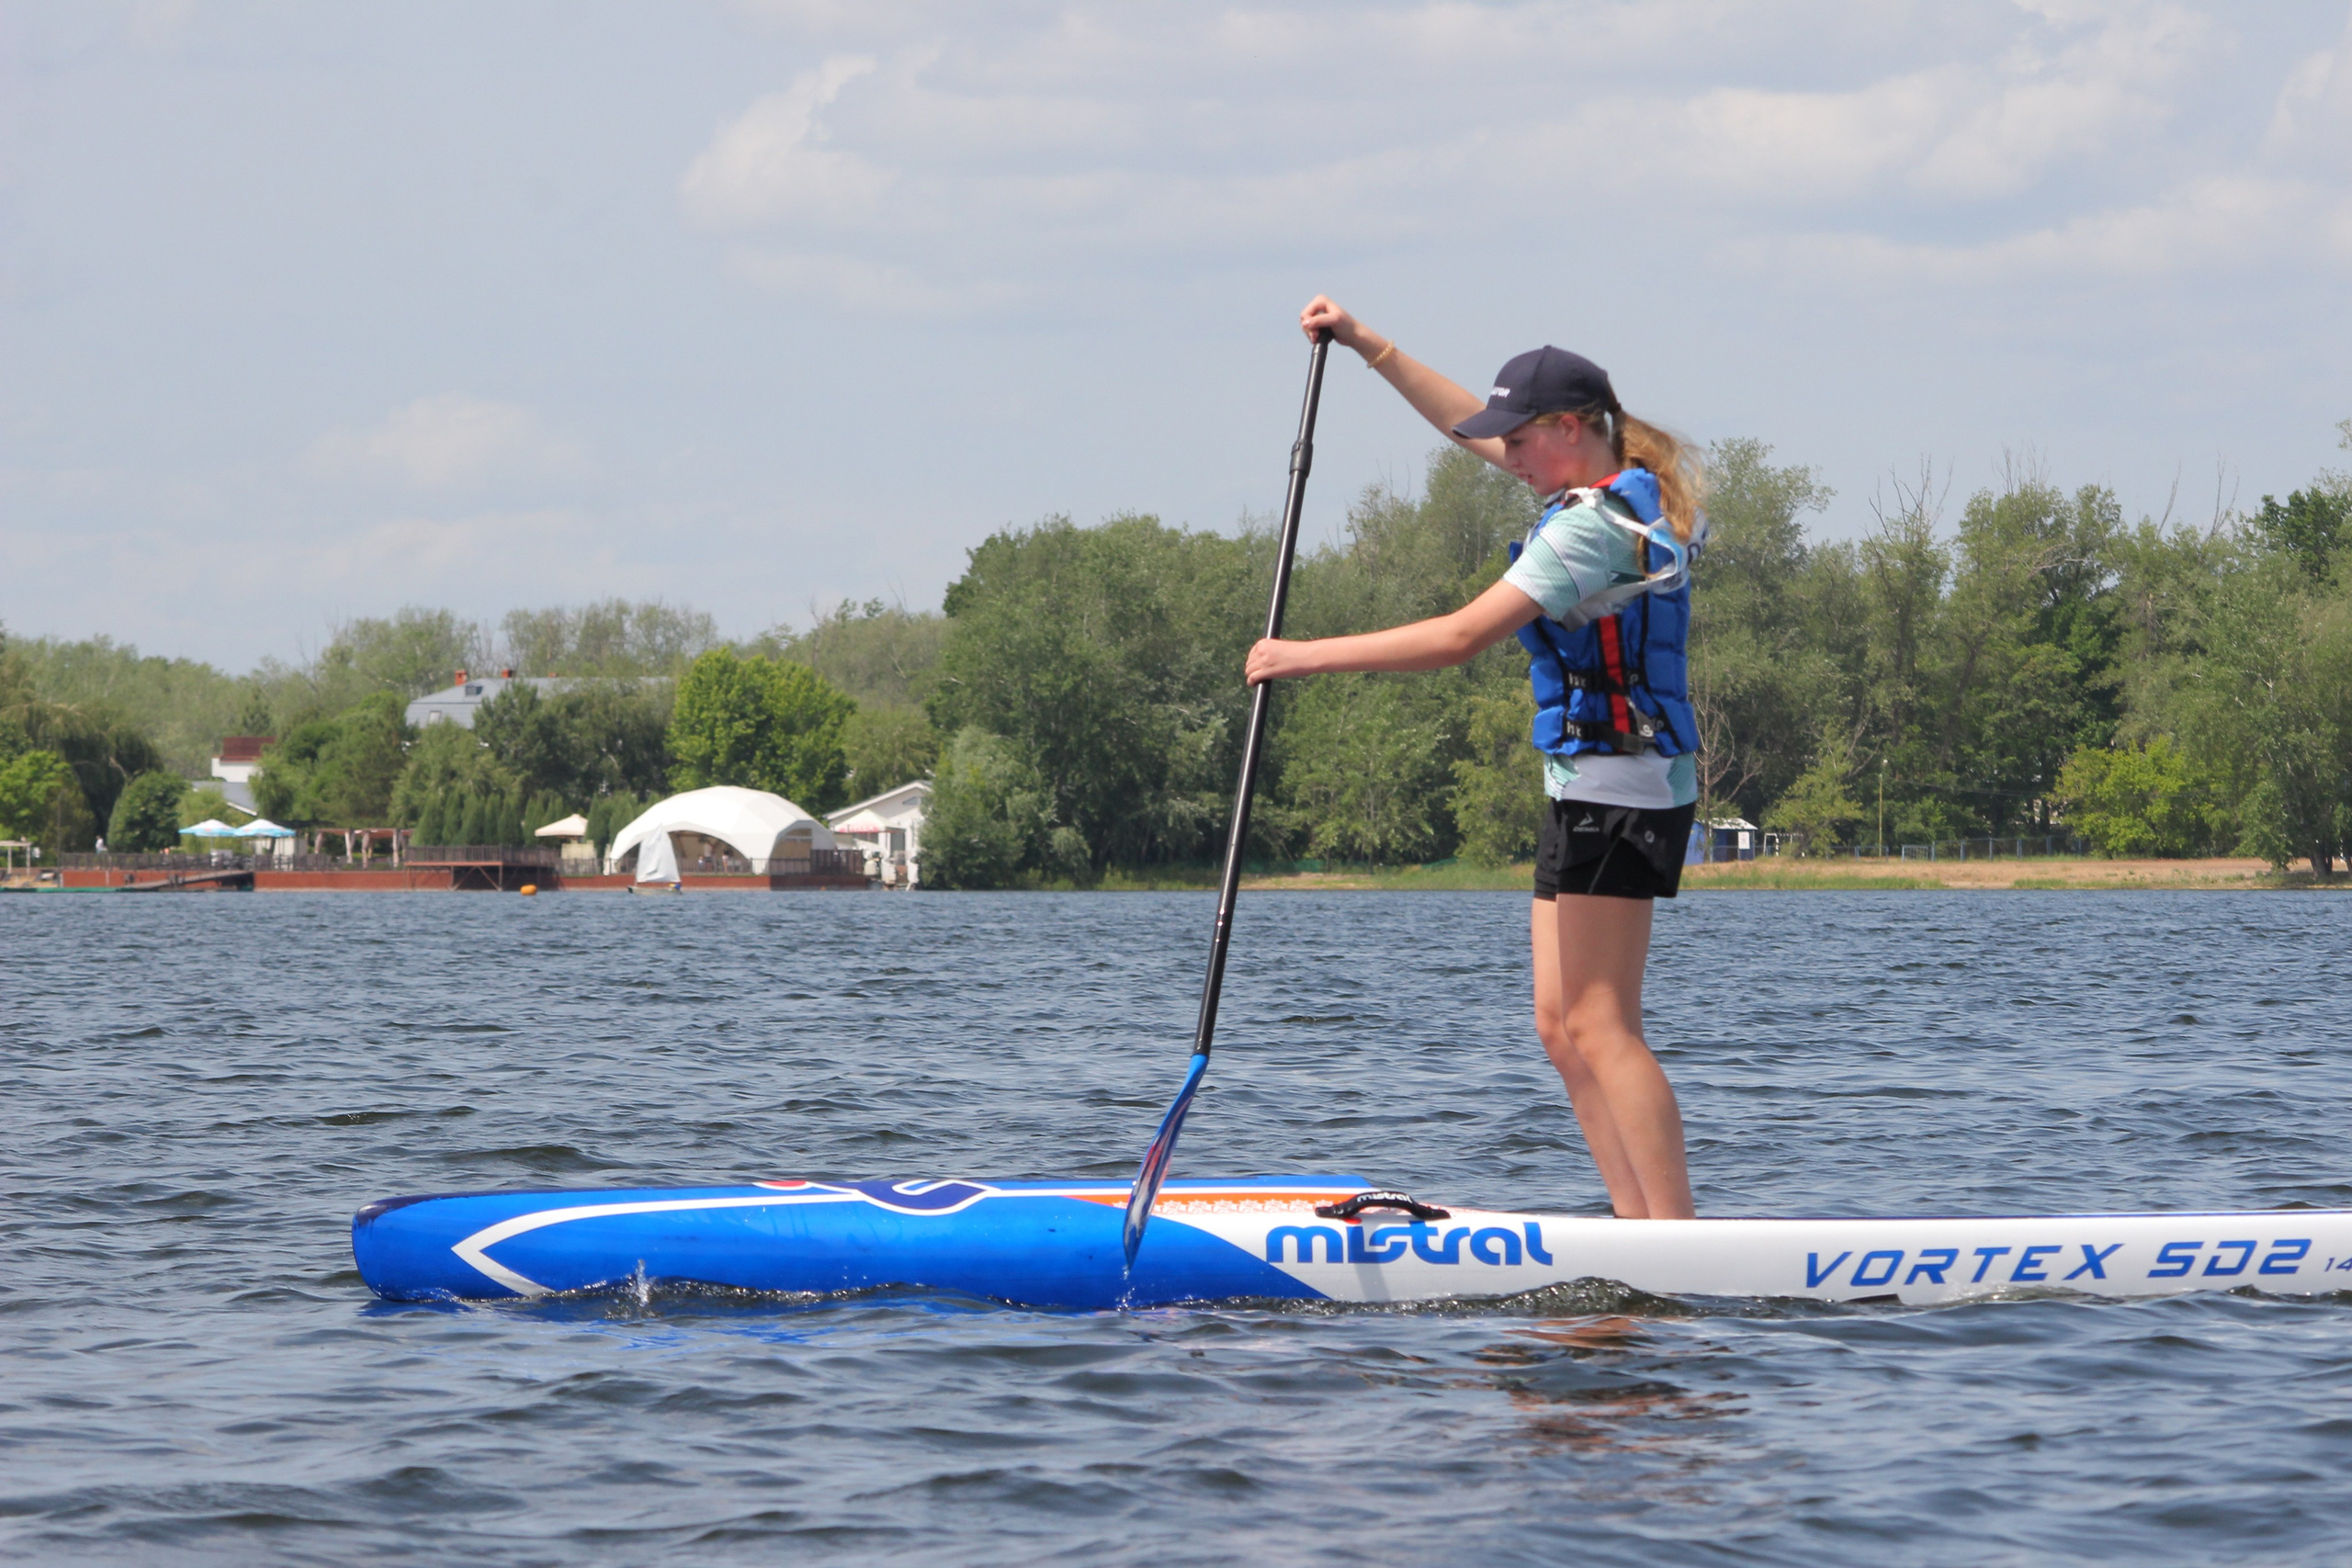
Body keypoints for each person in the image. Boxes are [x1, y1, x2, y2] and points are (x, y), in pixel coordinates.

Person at [1246, 297, 1704, 1220]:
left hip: (1625, 787)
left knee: (1601, 1024)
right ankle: (1635, 1226)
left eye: (1521, 441)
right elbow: (1465, 424)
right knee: (1559, 1025)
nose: (1507, 458)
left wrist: (1303, 656)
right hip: (1588, 782)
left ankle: (1677, 1239)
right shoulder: (1595, 486)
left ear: (1570, 429)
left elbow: (1459, 638)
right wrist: (1366, 343)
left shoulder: (1592, 529)